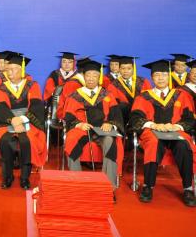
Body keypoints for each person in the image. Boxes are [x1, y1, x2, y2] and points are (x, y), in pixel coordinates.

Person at [130, 59, 195, 206]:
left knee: (184, 145)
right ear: (152, 78)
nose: (161, 78)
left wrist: (176, 126)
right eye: (157, 75)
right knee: (153, 144)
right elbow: (135, 119)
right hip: (152, 132)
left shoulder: (181, 95)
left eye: (164, 75)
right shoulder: (143, 97)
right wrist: (153, 125)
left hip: (175, 132)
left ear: (169, 76)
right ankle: (148, 186)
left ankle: (188, 188)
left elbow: (190, 119)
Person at [63, 60, 124, 192]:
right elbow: (68, 117)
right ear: (84, 77)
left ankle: (109, 186)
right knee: (71, 139)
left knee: (110, 141)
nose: (91, 79)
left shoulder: (107, 95)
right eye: (88, 75)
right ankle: (76, 183)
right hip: (83, 129)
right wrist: (79, 124)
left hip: (102, 130)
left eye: (94, 75)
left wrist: (110, 124)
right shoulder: (75, 96)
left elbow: (116, 116)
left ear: (99, 77)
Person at [0, 54, 46, 190]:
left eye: (13, 69)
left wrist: (21, 119)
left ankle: (24, 178)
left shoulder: (32, 85)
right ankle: (7, 177)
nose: (9, 73)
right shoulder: (1, 88)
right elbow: (1, 107)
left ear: (22, 70)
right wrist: (13, 120)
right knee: (6, 140)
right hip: (6, 122)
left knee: (27, 141)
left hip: (29, 121)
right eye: (7, 70)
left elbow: (36, 105)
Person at [106, 56, 151, 125]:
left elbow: (149, 100)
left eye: (129, 68)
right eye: (123, 68)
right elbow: (114, 106)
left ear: (133, 69)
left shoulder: (143, 82)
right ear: (119, 69)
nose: (125, 71)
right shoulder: (113, 85)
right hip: (123, 117)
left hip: (141, 115)